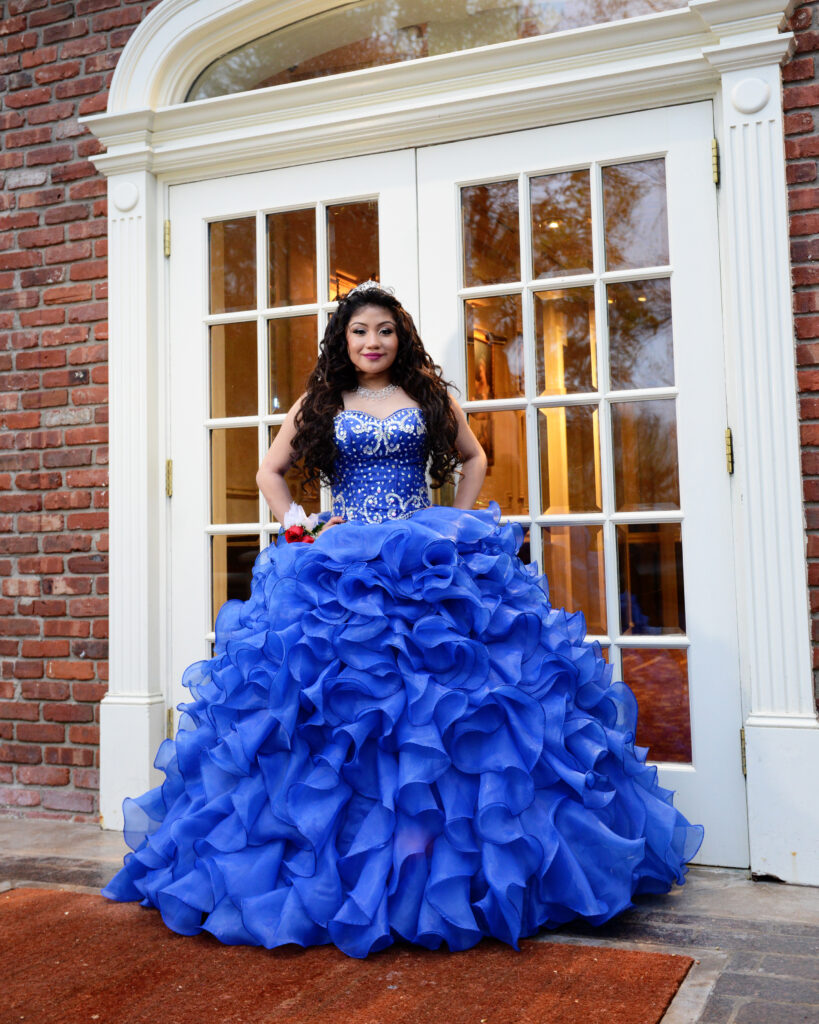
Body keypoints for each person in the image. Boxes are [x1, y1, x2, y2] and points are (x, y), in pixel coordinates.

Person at [103, 282, 702, 958]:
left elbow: (473, 458)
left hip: (424, 559)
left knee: (444, 715)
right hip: (344, 562)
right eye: (359, 332)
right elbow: (272, 471)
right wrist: (296, 526)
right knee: (348, 717)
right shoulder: (323, 402)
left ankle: (439, 869)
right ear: (344, 340)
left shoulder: (427, 396)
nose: (371, 343)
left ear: (399, 336)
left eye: (383, 330)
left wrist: (463, 522)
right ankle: (353, 873)